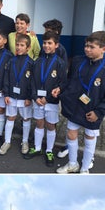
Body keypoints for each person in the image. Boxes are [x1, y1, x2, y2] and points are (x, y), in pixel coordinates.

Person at [56, 31, 105, 174]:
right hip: (75, 108)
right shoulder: (77, 61)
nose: (87, 49)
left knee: (89, 137)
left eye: (91, 47)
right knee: (71, 134)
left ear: (104, 49)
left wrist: (99, 112)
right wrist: (60, 90)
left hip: (92, 112)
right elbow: (69, 81)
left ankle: (84, 168)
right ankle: (72, 164)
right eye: (86, 46)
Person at [27, 31, 68, 167]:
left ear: (56, 45)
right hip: (38, 100)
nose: (46, 45)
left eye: (49, 43)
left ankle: (49, 150)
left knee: (50, 125)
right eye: (44, 43)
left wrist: (48, 98)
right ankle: (37, 148)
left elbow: (62, 83)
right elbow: (32, 81)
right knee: (39, 123)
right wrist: (34, 96)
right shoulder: (37, 61)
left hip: (51, 102)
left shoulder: (60, 63)